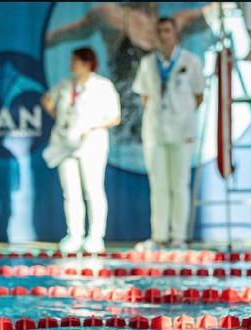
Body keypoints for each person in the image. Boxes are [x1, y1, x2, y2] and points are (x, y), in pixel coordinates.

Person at [45, 3, 214, 149]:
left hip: (166, 125)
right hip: (127, 131)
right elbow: (61, 35)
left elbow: (219, 12)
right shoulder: (111, 16)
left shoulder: (178, 22)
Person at [132, 17, 206, 250]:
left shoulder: (191, 62)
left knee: (179, 184)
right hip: (155, 131)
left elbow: (198, 95)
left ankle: (178, 237)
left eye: (167, 31)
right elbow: (145, 96)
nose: (164, 35)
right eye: (160, 31)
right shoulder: (147, 63)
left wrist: (181, 116)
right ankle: (159, 236)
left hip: (182, 131)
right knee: (158, 185)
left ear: (176, 35)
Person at [41, 48, 121, 254]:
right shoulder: (66, 85)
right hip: (65, 144)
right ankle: (74, 234)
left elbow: (115, 117)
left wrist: (92, 127)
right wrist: (59, 118)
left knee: (93, 190)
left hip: (91, 144)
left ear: (88, 64)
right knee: (71, 192)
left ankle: (95, 236)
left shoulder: (103, 86)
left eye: (75, 61)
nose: (71, 66)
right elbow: (47, 100)